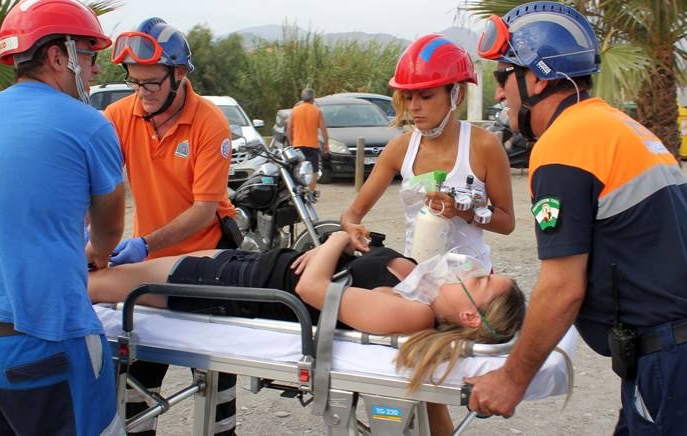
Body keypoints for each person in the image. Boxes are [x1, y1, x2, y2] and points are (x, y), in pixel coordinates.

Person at [465, 3, 687, 434]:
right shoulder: (616, 125)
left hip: (682, 348)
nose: (499, 94)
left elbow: (562, 287)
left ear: (535, 76)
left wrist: (512, 379)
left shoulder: (563, 144)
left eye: (502, 77)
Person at [88, 230, 526, 435]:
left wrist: (334, 240)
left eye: (483, 282)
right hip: (250, 267)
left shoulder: (414, 317)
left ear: (471, 318)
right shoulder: (421, 294)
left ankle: (26, 302)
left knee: (100, 284)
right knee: (110, 271)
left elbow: (311, 287)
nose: (474, 272)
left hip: (242, 287)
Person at [0, 0, 125, 434]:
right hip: (40, 341)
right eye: (90, 56)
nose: (94, 71)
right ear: (60, 56)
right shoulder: (88, 124)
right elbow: (109, 227)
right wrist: (98, 253)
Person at [101, 17, 239, 435]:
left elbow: (202, 210)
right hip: (149, 263)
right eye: (134, 83)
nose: (141, 94)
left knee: (217, 376)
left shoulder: (209, 122)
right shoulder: (119, 115)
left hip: (208, 257)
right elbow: (95, 184)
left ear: (179, 75)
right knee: (136, 379)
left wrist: (143, 243)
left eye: (152, 84)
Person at [340, 34, 514, 272]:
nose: (414, 107)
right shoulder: (400, 149)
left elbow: (507, 224)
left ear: (456, 94)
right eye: (408, 97)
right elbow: (351, 215)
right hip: (418, 280)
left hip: (472, 282)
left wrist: (466, 212)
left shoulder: (485, 146)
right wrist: (352, 228)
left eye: (426, 96)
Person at [287, 87, 329, 192]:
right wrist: (326, 144)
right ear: (313, 98)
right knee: (313, 169)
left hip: (298, 144)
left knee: (298, 169)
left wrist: (291, 141)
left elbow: (289, 128)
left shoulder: (295, 110)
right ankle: (311, 191)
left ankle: (299, 189)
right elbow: (323, 129)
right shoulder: (317, 111)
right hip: (312, 145)